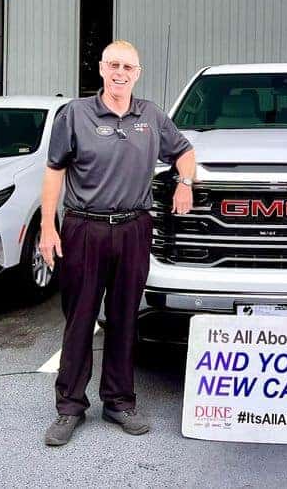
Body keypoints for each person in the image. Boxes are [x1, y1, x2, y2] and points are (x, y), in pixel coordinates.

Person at [40, 40, 195, 446]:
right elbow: (54, 171)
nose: (120, 73)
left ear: (138, 73)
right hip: (84, 228)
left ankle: (119, 402)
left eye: (128, 66)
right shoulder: (75, 114)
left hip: (134, 228)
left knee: (125, 317)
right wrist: (47, 227)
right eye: (114, 65)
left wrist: (186, 182)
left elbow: (185, 152)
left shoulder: (152, 117)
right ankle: (70, 407)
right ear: (102, 69)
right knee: (80, 319)